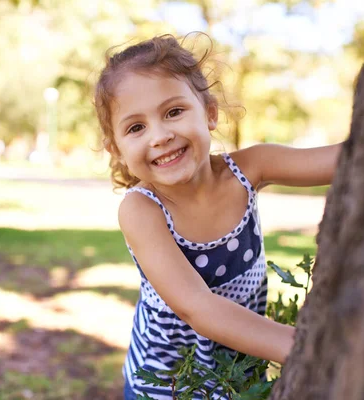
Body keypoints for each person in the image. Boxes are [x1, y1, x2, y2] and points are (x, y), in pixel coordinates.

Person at [93, 33, 341, 399]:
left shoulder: (250, 168)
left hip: (241, 374)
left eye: (173, 112)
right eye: (136, 128)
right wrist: (310, 349)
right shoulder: (141, 209)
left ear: (209, 113)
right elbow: (200, 309)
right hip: (167, 386)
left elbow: (349, 159)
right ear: (117, 149)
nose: (159, 136)